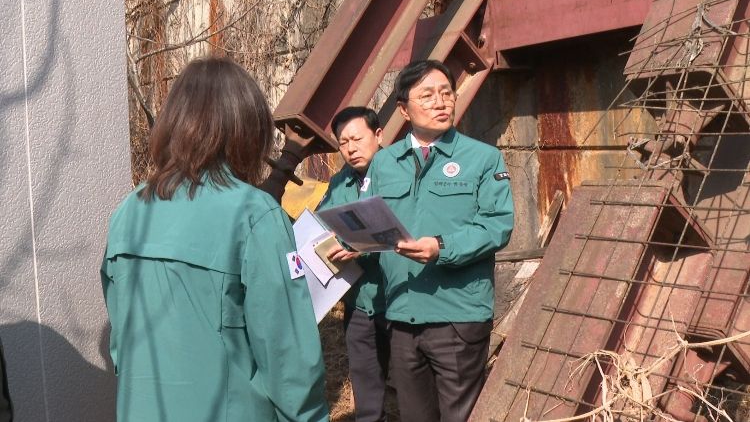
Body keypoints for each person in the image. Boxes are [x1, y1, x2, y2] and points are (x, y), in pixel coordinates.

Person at [100, 57, 329, 422]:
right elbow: (289, 359)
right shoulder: (255, 215)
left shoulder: (129, 211)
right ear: (247, 129)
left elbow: (121, 337)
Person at [363, 60, 514, 422]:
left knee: (459, 416)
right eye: (428, 95)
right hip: (402, 313)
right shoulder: (384, 163)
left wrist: (441, 247)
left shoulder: (482, 158)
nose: (441, 102)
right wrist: (352, 243)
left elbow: (497, 225)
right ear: (404, 109)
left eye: (447, 93)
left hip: (457, 316)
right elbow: (371, 223)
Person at [317, 107, 388, 422]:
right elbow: (322, 226)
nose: (351, 148)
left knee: (409, 386)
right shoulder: (339, 182)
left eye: (357, 139)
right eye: (343, 142)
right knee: (366, 384)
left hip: (399, 296)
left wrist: (360, 244)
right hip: (359, 299)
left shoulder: (401, 173)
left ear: (378, 135)